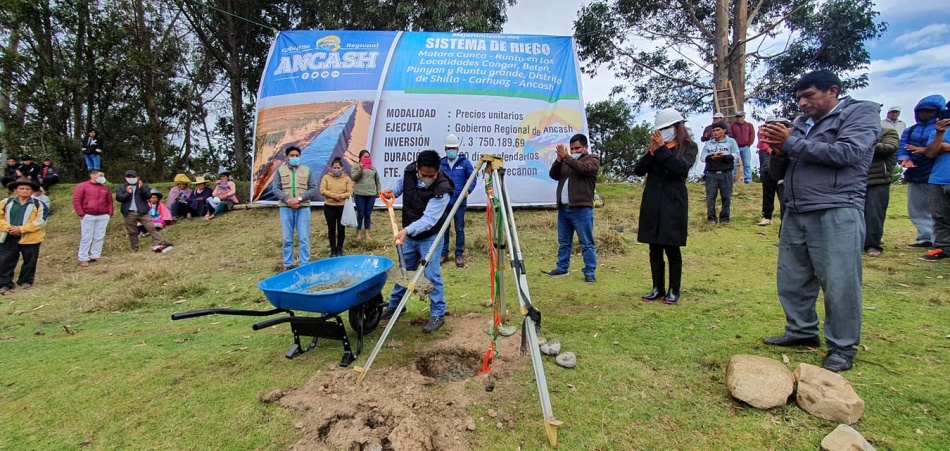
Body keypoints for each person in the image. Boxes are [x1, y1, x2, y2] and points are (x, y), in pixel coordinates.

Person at [759, 70, 879, 373]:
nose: (802, 103)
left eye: (808, 95)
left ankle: (842, 347)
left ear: (832, 91)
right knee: (792, 278)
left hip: (837, 208)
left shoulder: (860, 113)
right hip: (796, 209)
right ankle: (801, 330)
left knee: (839, 282)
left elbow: (847, 153)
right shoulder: (800, 124)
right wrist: (779, 152)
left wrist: (790, 144)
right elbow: (776, 174)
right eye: (799, 98)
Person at [379, 150, 454, 333]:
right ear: (417, 168)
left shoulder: (442, 189)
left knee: (431, 274)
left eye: (431, 176)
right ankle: (396, 305)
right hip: (410, 234)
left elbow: (429, 220)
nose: (427, 178)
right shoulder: (410, 171)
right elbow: (403, 184)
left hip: (430, 236)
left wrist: (406, 230)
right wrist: (393, 191)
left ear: (438, 171)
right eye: (423, 175)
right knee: (404, 270)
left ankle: (437, 313)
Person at [634, 108, 698, 305]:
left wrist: (662, 150)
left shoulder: (689, 147)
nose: (662, 132)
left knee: (672, 247)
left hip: (673, 201)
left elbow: (680, 168)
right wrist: (651, 152)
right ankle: (657, 288)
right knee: (654, 247)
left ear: (677, 127)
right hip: (653, 200)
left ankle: (673, 290)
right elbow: (638, 170)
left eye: (666, 128)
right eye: (660, 129)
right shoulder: (655, 148)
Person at [542, 134, 601, 284]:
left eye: (577, 148)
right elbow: (553, 175)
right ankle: (562, 268)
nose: (574, 151)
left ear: (585, 147)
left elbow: (583, 169)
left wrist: (567, 157)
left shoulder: (592, 159)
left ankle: (590, 272)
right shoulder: (567, 161)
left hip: (582, 209)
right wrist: (558, 160)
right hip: (564, 209)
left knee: (586, 243)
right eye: (572, 148)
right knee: (564, 242)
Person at [896, 95, 945, 248]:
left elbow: (939, 148)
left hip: (935, 171)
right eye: (922, 111)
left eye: (929, 111)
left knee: (938, 208)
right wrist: (905, 159)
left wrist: (923, 150)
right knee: (916, 207)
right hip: (914, 172)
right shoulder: (910, 130)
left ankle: (939, 239)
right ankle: (925, 237)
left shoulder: (942, 130)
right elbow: (903, 147)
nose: (925, 114)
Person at [272, 146, 318, 270]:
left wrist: (299, 199)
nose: (294, 157)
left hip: (303, 207)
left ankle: (304, 264)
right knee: (287, 238)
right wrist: (288, 200)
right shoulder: (280, 170)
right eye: (292, 155)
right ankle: (288, 264)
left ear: (300, 156)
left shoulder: (307, 170)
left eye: (297, 155)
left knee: (304, 237)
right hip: (285, 207)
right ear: (286, 157)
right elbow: (276, 189)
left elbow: (313, 188)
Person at [0, 178, 48, 294]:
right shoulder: (5, 203)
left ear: (32, 191)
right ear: (15, 190)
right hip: (8, 236)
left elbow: (40, 222)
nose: (25, 191)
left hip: (31, 238)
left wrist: (21, 229)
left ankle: (25, 281)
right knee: (5, 260)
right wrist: (9, 228)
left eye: (28, 189)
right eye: (21, 188)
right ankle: (5, 283)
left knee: (30, 261)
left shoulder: (39, 205)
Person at [439, 134, 476, 268]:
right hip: (444, 203)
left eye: (453, 148)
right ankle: (444, 254)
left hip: (459, 203)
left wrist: (468, 190)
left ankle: (459, 255)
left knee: (459, 229)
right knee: (444, 229)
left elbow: (473, 178)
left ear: (458, 149)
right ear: (445, 149)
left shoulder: (465, 163)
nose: (451, 151)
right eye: (449, 148)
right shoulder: (441, 163)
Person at [863, 126, 900, 256]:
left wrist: (862, 142)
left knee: (874, 214)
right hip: (855, 179)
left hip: (878, 179)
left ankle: (872, 245)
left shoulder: (887, 132)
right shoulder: (852, 130)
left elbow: (889, 148)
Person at [116, 170, 172, 252]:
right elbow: (119, 198)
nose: (131, 178)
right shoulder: (122, 187)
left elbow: (148, 196)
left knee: (151, 227)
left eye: (133, 176)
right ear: (125, 178)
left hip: (142, 212)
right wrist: (127, 193)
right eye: (129, 177)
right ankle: (135, 249)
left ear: (137, 177)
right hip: (129, 212)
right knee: (132, 232)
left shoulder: (144, 186)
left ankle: (162, 243)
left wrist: (141, 188)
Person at [920, 115, 950, 261]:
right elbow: (931, 153)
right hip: (938, 178)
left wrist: (946, 146)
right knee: (939, 216)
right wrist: (939, 134)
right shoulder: (937, 132)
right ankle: (942, 248)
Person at [72, 169, 113, 267]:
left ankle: (95, 255)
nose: (102, 177)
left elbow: (109, 201)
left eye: (103, 176)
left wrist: (109, 213)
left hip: (103, 215)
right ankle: (83, 257)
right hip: (88, 215)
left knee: (99, 236)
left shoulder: (105, 188)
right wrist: (81, 214)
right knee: (86, 237)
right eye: (100, 175)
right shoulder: (82, 186)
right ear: (92, 175)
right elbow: (77, 200)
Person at [701, 122, 739, 225]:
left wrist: (725, 157)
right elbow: (702, 157)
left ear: (724, 131)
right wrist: (712, 157)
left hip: (726, 173)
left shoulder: (731, 142)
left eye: (718, 130)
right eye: (713, 130)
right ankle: (711, 218)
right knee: (711, 197)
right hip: (711, 173)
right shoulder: (709, 143)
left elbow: (736, 154)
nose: (715, 132)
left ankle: (725, 219)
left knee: (726, 196)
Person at [759, 117, 792, 229]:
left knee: (784, 200)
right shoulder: (765, 135)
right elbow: (763, 145)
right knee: (768, 193)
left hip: (789, 181)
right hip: (769, 168)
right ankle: (767, 216)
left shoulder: (796, 143)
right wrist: (776, 152)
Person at [319, 157, 354, 257]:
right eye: (334, 168)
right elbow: (322, 190)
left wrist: (341, 196)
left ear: (342, 168)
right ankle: (333, 250)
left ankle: (339, 249)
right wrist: (333, 195)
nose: (336, 169)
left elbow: (350, 192)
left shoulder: (347, 179)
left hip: (342, 207)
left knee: (341, 228)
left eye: (338, 167)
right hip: (329, 206)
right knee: (331, 229)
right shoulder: (326, 177)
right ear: (331, 168)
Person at [350, 149, 381, 240]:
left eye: (368, 157)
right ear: (360, 158)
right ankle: (358, 233)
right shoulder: (355, 167)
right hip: (360, 193)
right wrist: (361, 168)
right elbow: (354, 177)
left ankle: (367, 233)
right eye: (364, 157)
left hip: (371, 194)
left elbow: (377, 181)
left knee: (368, 214)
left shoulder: (373, 168)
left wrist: (378, 191)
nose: (366, 158)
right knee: (360, 213)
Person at [729, 112, 755, 183]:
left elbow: (752, 134)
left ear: (743, 117)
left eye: (740, 117)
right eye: (737, 117)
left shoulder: (749, 125)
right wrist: (733, 145)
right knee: (732, 163)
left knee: (746, 164)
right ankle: (730, 179)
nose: (738, 118)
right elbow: (731, 136)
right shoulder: (732, 126)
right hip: (735, 147)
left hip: (745, 147)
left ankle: (748, 179)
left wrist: (749, 144)